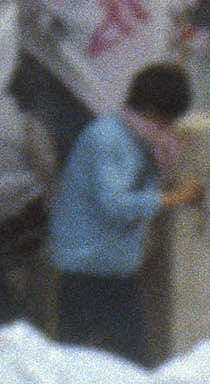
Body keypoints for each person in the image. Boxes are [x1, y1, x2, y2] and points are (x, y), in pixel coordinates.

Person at [47, 60, 200, 363]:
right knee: (92, 364)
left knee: (131, 363)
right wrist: (172, 198)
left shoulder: (142, 140)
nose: (168, 129)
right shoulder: (108, 138)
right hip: (88, 268)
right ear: (152, 112)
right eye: (167, 121)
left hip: (117, 267)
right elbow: (115, 204)